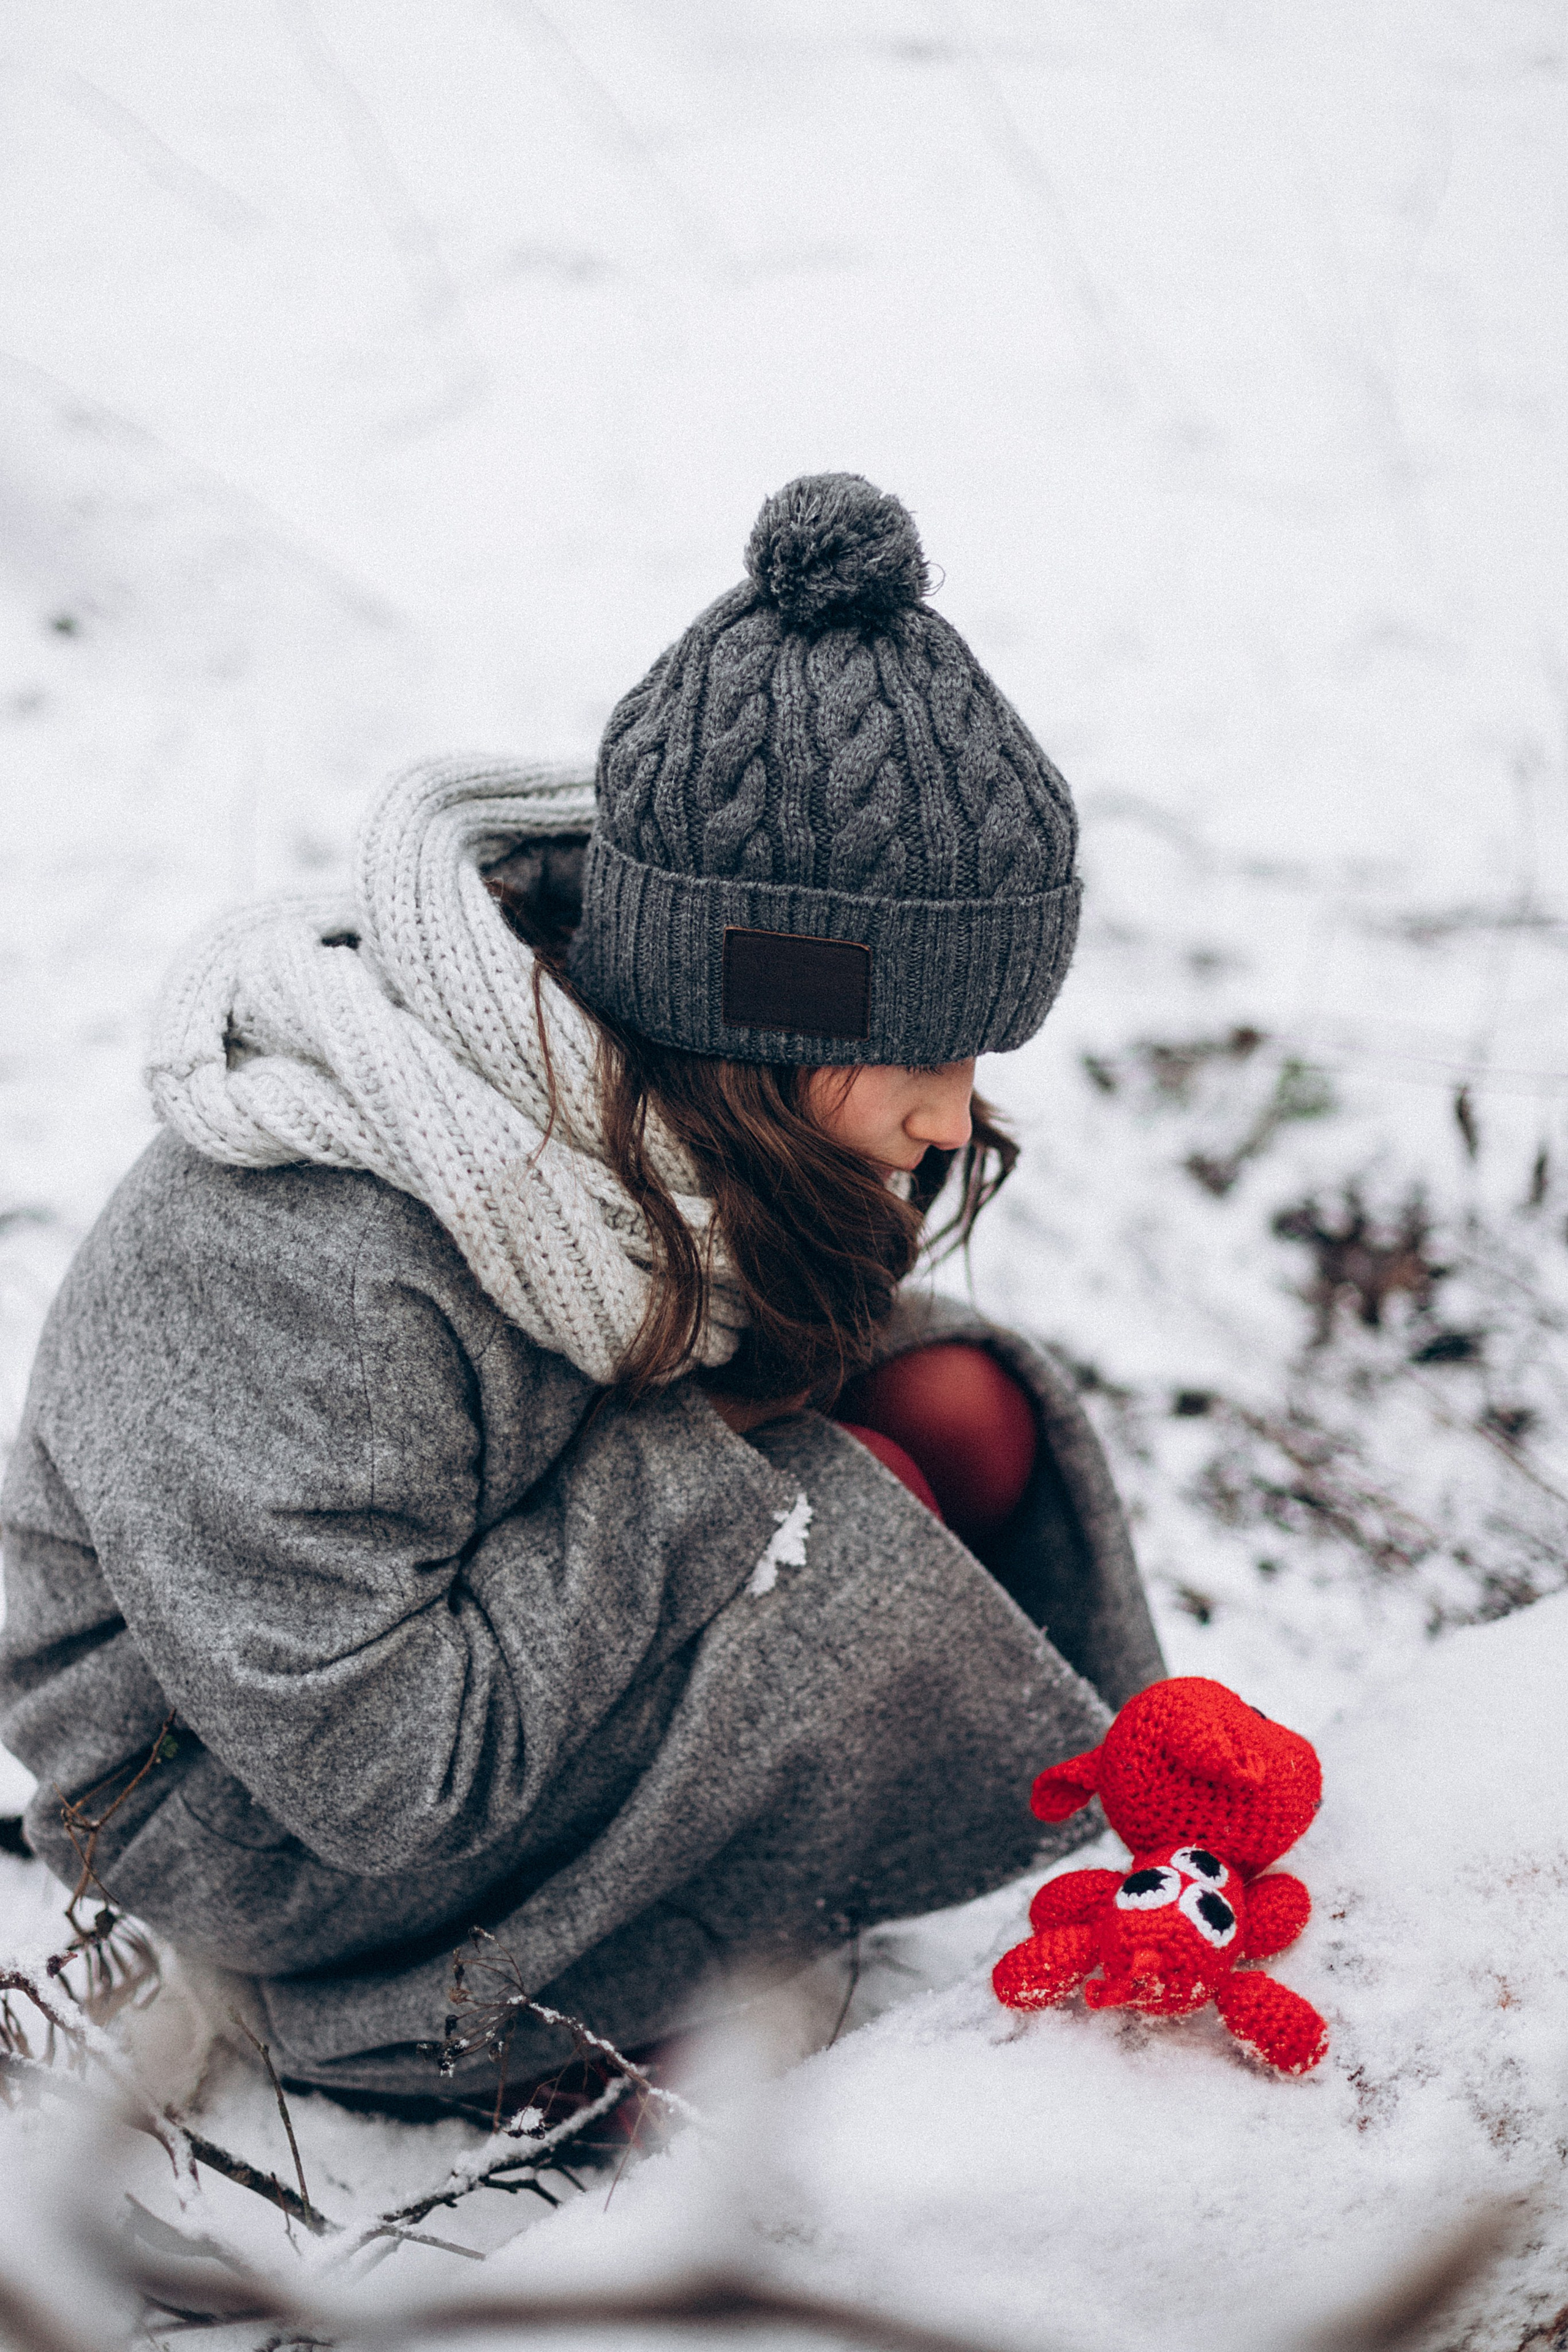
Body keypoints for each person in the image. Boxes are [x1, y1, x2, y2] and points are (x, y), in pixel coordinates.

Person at [0, 473, 1163, 2113]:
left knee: (958, 1413)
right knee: (849, 1522)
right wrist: (730, 1465)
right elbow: (381, 1771)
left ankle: (1148, 1821)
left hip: (477, 1599)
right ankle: (449, 2016)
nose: (952, 1117)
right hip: (235, 1805)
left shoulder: (668, 1103)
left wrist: (752, 1423)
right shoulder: (300, 1259)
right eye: (917, 1053)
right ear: (753, 1010)